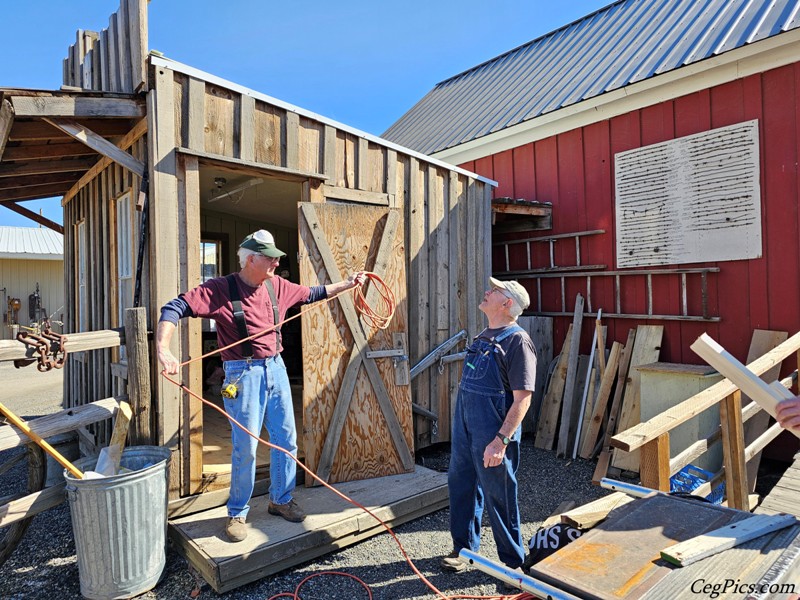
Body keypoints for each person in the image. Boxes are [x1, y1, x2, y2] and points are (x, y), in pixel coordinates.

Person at [157, 229, 366, 543]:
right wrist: (163, 349)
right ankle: (237, 512)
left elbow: (313, 293)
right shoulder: (220, 289)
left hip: (276, 368)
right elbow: (174, 309)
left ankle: (280, 500)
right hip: (242, 374)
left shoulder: (277, 285)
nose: (276, 261)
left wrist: (347, 285)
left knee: (286, 439)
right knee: (246, 448)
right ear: (250, 258)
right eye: (270, 256)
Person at [440, 277, 537, 575]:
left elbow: (523, 399)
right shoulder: (485, 335)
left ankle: (514, 564)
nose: (486, 291)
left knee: (499, 494)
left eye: (494, 291)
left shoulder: (518, 341)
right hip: (465, 425)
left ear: (507, 303)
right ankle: (465, 551)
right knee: (461, 485)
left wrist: (500, 441)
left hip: (492, 430)